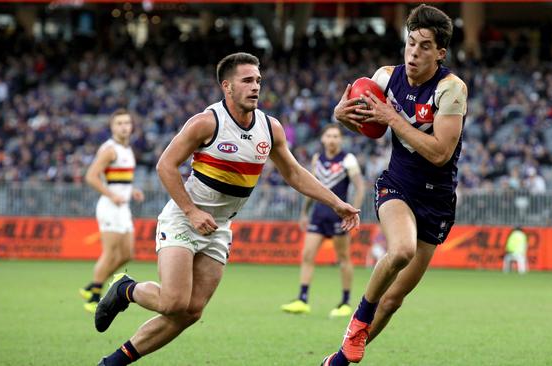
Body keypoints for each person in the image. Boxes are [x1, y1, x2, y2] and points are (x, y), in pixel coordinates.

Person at [94, 52, 360, 366]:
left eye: (258, 80)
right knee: (173, 301)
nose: (255, 86)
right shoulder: (206, 122)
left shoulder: (269, 127)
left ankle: (113, 362)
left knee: (191, 312)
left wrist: (337, 202)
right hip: (183, 218)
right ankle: (125, 289)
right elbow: (165, 165)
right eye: (247, 80)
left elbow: (294, 173)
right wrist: (192, 211)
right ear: (227, 87)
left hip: (219, 227)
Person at [321, 4, 467, 365]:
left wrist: (392, 118)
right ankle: (357, 323)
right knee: (399, 251)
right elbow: (371, 129)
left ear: (440, 53)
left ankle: (337, 361)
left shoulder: (451, 89)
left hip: (438, 200)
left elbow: (440, 154)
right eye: (410, 43)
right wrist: (342, 116)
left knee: (394, 300)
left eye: (424, 47)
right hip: (396, 185)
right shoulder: (385, 78)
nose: (414, 52)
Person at [281, 123, 365, 317]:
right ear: (323, 139)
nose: (333, 139)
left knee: (343, 258)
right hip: (318, 215)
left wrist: (353, 211)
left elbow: (359, 187)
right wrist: (304, 212)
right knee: (307, 256)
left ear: (341, 140)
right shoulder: (317, 159)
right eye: (329, 136)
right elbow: (311, 188)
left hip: (339, 217)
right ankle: (302, 299)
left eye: (336, 136)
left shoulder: (348, 159)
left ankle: (345, 302)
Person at [80, 109, 144, 313]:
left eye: (127, 123)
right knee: (110, 253)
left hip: (122, 207)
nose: (124, 126)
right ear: (112, 127)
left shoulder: (127, 149)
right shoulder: (109, 150)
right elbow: (91, 176)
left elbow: (118, 178)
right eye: (119, 123)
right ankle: (94, 297)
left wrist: (131, 190)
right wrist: (111, 195)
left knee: (127, 254)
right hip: (110, 207)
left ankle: (93, 285)